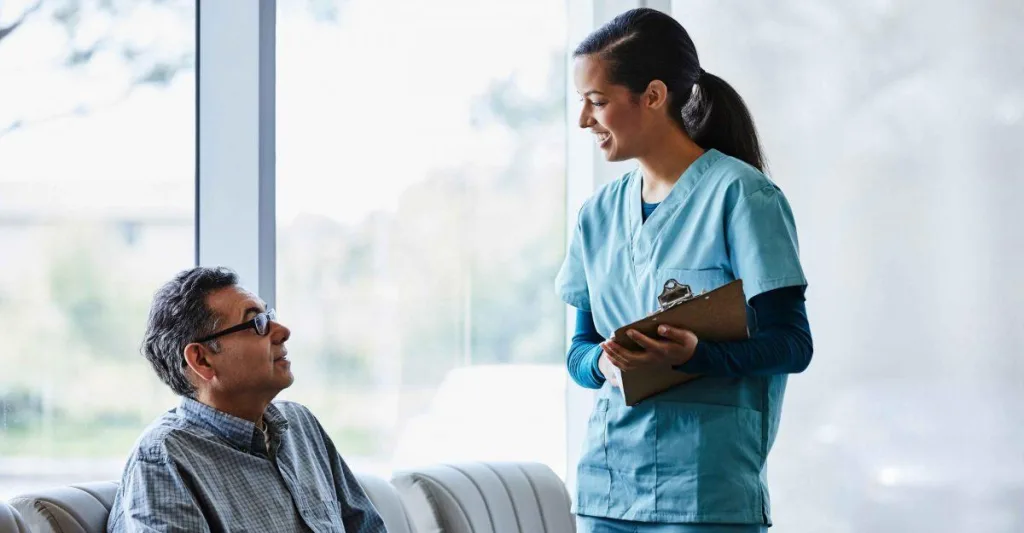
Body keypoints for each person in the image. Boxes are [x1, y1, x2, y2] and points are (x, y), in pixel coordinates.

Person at [555, 8, 814, 533]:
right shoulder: (596, 216)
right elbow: (579, 352)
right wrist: (604, 365)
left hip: (705, 494)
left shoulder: (742, 197)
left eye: (597, 102)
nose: (584, 120)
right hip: (607, 491)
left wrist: (700, 355)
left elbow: (793, 344)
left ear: (652, 96)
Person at [107, 267, 387, 533]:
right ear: (202, 359)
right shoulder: (163, 458)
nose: (282, 331)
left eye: (270, 316)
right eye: (257, 323)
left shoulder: (301, 426)